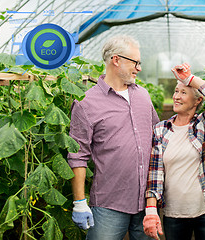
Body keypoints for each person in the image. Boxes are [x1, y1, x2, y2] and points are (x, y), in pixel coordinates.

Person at [67, 35, 159, 240]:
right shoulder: (86, 103)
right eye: (135, 62)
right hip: (109, 204)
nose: (139, 68)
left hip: (147, 204)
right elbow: (77, 156)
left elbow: (157, 140)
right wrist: (79, 202)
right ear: (116, 60)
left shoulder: (143, 96)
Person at [143, 63, 205, 240]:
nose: (176, 96)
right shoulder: (160, 129)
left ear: (198, 100)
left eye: (183, 92)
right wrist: (151, 211)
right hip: (174, 214)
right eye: (176, 91)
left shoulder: (203, 125)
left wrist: (189, 79)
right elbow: (155, 173)